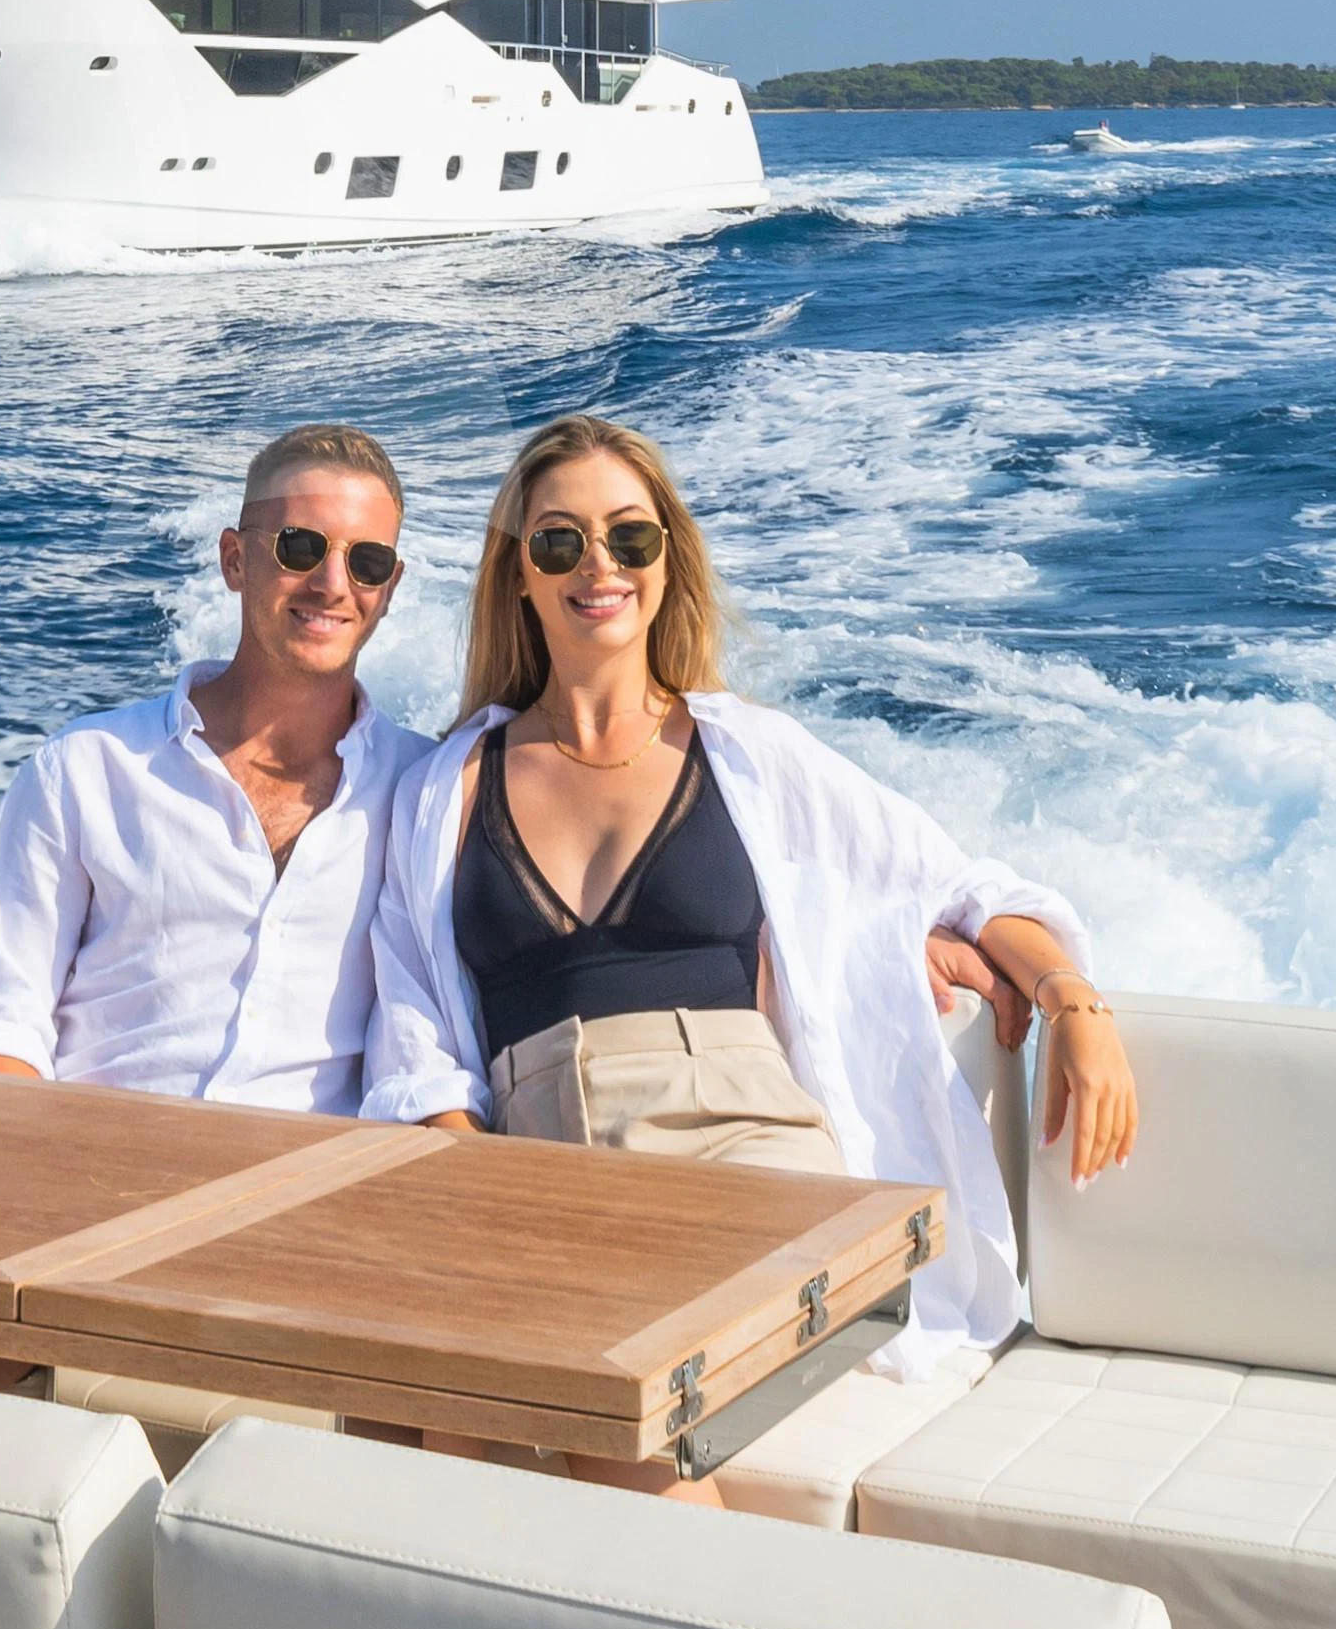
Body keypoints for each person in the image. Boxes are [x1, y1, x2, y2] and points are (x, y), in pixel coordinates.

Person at [359, 408, 1134, 1487]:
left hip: (746, 1150)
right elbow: (417, 1041)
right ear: (518, 572)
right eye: (560, 540)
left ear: (668, 561)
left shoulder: (749, 754)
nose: (599, 565)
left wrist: (1072, 998)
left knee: (629, 1408)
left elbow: (958, 884)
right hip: (541, 1166)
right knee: (447, 1406)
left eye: (630, 536)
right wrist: (492, 1203)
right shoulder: (444, 785)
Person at [0, 424, 425, 1393]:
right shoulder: (88, 768)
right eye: (298, 546)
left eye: (366, 560)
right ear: (236, 557)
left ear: (391, 588)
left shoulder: (425, 791)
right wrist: (51, 1213)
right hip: (78, 1202)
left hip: (309, 1230)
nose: (332, 581)